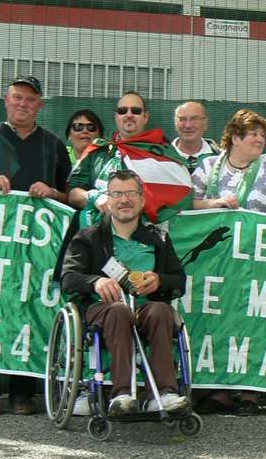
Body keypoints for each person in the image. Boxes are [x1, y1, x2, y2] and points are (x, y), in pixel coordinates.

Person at [0, 75, 71, 416]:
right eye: (17, 97)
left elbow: (72, 196)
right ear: (6, 101)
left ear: (40, 105)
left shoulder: (53, 145)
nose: (23, 104)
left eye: (30, 99)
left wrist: (52, 192)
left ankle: (23, 392)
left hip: (36, 250)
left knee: (29, 309)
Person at [191, 109, 266, 414]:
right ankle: (217, 388)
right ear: (235, 138)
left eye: (263, 136)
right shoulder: (208, 167)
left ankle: (249, 390)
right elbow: (186, 204)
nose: (260, 141)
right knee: (215, 320)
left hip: (256, 264)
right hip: (213, 265)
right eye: (254, 135)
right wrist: (215, 204)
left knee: (254, 320)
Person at [60, 170, 189, 416]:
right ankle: (121, 394)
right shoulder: (89, 237)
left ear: (141, 200)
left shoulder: (158, 238)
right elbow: (68, 279)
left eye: (131, 193)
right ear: (108, 201)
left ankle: (163, 394)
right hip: (104, 308)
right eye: (117, 194)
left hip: (145, 307)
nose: (124, 200)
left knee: (162, 310)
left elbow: (179, 281)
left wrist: (159, 280)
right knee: (119, 311)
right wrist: (95, 282)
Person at [68, 91, 183, 227]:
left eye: (135, 111)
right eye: (123, 111)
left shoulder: (163, 153)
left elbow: (180, 196)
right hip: (100, 234)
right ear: (116, 117)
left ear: (145, 117)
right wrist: (95, 197)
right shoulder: (98, 150)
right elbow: (73, 194)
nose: (129, 115)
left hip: (146, 236)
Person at [172, 101, 221, 174]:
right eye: (182, 119)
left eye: (194, 119)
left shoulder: (221, 158)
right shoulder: (162, 158)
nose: (188, 125)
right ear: (175, 123)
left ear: (205, 124)